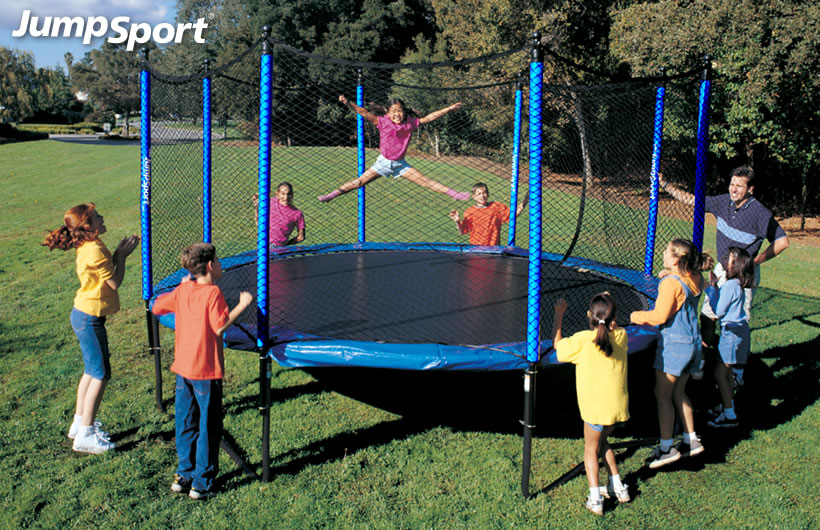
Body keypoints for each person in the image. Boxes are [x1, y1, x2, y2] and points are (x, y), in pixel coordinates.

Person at [659, 166, 789, 384]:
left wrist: (754, 261)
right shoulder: (722, 202)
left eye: (739, 185)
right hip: (721, 270)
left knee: (737, 324)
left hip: (743, 275)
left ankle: (738, 372)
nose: (733, 189)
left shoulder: (760, 213)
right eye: (732, 184)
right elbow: (692, 200)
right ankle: (702, 360)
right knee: (708, 315)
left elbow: (783, 242)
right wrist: (665, 185)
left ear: (751, 189)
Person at [152, 243, 253, 499]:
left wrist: (181, 287)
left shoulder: (185, 288)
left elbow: (157, 308)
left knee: (185, 422)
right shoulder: (213, 293)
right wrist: (242, 305)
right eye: (218, 261)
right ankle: (202, 483)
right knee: (209, 425)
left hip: (183, 368)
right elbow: (219, 328)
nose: (220, 265)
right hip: (206, 371)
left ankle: (183, 475)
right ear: (210, 266)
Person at [42, 203, 139, 454]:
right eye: (97, 217)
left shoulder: (87, 245)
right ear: (87, 226)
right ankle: (85, 434)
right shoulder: (94, 249)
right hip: (89, 318)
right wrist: (122, 257)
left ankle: (79, 423)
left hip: (83, 314)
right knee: (100, 373)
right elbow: (114, 283)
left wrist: (117, 255)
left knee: (90, 371)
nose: (102, 217)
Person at [631, 238, 712, 469]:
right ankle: (690, 439)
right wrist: (667, 273)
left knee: (663, 395)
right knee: (679, 392)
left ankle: (667, 448)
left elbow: (659, 317)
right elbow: (679, 283)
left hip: (675, 345)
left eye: (666, 252)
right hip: (693, 343)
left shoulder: (671, 285)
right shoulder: (695, 278)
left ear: (676, 259)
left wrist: (635, 316)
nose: (663, 254)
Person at [552, 293, 630, 516]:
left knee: (591, 449)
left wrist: (559, 316)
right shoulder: (621, 336)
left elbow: (558, 347)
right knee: (603, 442)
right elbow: (612, 326)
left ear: (589, 316)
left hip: (595, 411)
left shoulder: (583, 340)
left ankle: (595, 497)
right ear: (613, 318)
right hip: (617, 409)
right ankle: (618, 487)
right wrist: (609, 302)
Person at [318, 96, 471, 202]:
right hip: (383, 163)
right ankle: (332, 195)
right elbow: (364, 113)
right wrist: (348, 104)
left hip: (400, 164)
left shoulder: (410, 123)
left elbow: (429, 117)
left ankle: (454, 194)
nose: (397, 114)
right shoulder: (382, 121)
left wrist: (449, 108)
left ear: (404, 111)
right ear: (387, 112)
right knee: (359, 183)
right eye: (394, 112)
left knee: (425, 181)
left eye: (400, 111)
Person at [704, 247, 754, 428]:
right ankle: (727, 406)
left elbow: (718, 311)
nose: (726, 261)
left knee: (720, 375)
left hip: (731, 334)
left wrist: (710, 290)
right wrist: (717, 287)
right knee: (727, 375)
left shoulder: (731, 286)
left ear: (736, 265)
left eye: (730, 259)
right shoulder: (736, 284)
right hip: (738, 332)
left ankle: (730, 415)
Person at [448, 182, 525, 245]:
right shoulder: (470, 211)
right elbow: (462, 231)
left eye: (484, 193)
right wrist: (457, 221)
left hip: (494, 249)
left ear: (488, 194)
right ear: (474, 196)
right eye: (479, 193)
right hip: (476, 249)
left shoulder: (497, 206)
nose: (482, 196)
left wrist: (526, 201)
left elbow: (513, 215)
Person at [252, 181, 306, 246]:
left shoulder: (297, 214)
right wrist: (257, 202)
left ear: (292, 195)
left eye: (289, 194)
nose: (286, 197)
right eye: (283, 194)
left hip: (265, 244)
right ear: (277, 194)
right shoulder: (270, 202)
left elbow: (301, 237)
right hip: (266, 243)